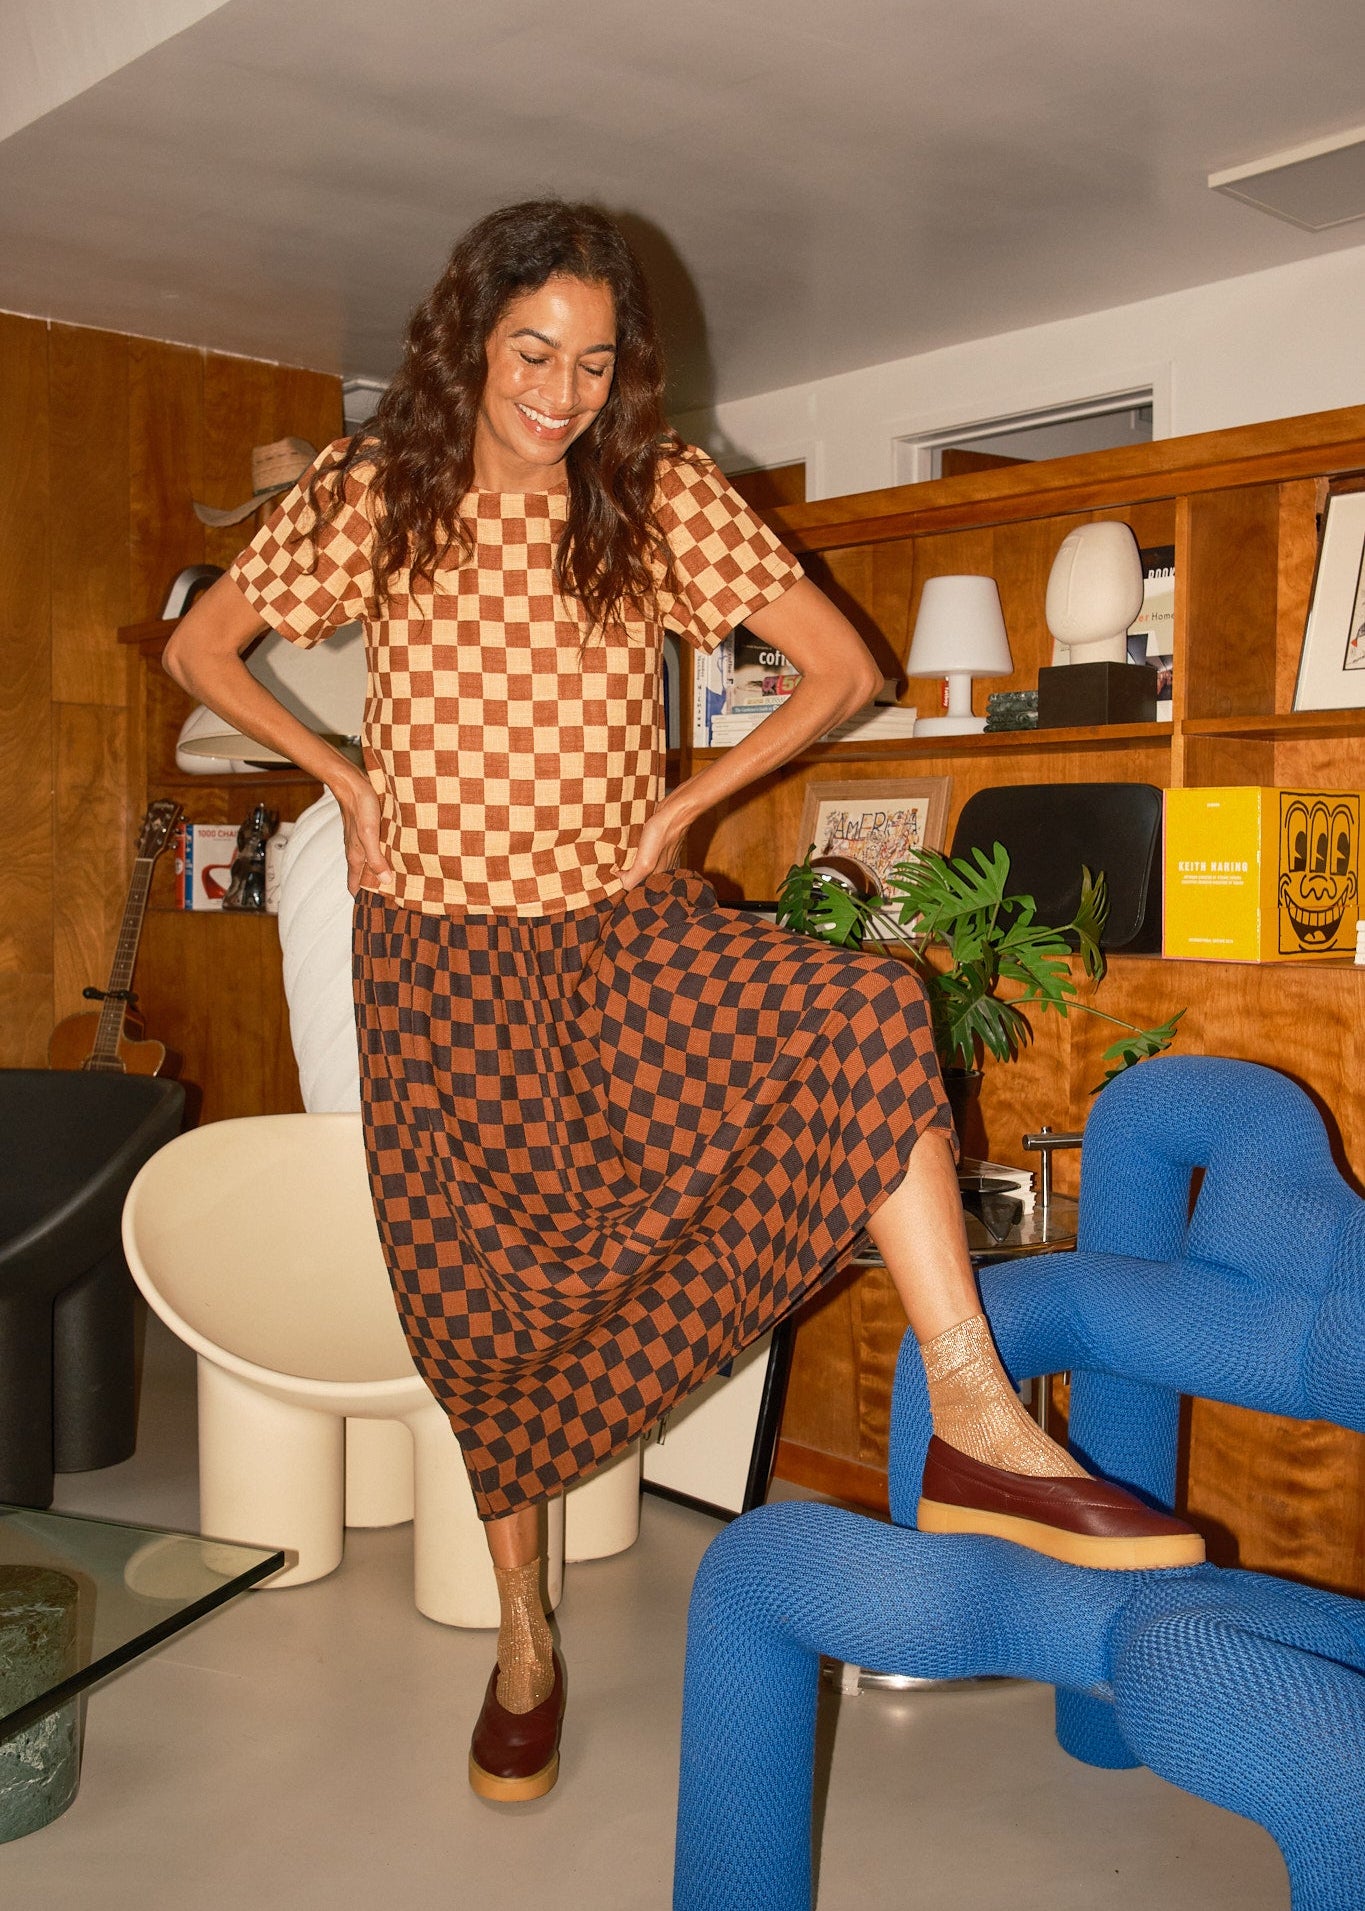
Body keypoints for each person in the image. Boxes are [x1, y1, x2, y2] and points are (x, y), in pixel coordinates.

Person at [165, 199, 1201, 1806]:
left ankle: (974, 1412)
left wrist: (685, 807)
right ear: (468, 342)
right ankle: (524, 1636)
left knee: (863, 1016)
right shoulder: (378, 489)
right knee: (473, 1310)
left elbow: (841, 671)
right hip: (436, 962)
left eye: (592, 362)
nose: (560, 392)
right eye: (531, 353)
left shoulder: (653, 493)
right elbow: (201, 650)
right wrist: (342, 772)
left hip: (617, 935)